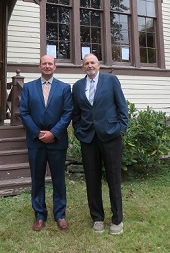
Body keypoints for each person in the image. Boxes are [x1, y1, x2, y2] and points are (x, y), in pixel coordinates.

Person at [72, 53, 128, 235]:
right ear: (83, 67)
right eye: (86, 63)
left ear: (99, 65)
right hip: (88, 138)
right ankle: (97, 217)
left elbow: (122, 106)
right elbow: (76, 113)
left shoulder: (111, 80)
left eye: (93, 62)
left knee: (113, 178)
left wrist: (121, 128)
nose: (90, 65)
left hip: (111, 135)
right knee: (92, 179)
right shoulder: (78, 86)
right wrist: (79, 131)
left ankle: (117, 219)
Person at [20, 55, 73, 232]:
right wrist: (37, 133)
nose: (47, 66)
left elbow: (67, 113)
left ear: (55, 67)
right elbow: (24, 112)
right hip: (36, 142)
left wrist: (53, 133)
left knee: (58, 179)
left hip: (57, 141)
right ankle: (39, 215)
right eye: (44, 63)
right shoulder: (28, 87)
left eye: (50, 63)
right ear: (40, 66)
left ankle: (60, 214)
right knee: (37, 179)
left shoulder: (65, 88)